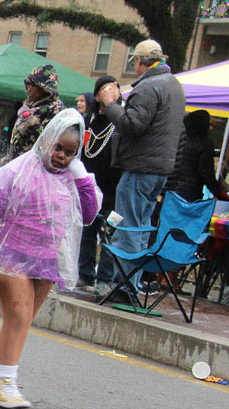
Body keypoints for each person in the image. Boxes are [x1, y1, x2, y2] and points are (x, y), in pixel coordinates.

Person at [0, 110, 101, 409]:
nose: (62, 156)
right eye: (58, 148)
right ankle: (5, 384)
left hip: (46, 259)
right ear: (47, 139)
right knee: (18, 314)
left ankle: (1, 372)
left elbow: (88, 215)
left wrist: (81, 176)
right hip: (10, 253)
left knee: (23, 320)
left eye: (70, 152)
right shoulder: (17, 170)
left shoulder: (72, 178)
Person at [96, 39, 185, 298]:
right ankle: (131, 285)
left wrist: (111, 104)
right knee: (142, 225)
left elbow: (133, 126)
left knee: (128, 225)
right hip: (159, 168)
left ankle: (125, 288)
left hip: (140, 166)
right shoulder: (173, 85)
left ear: (138, 61)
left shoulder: (148, 87)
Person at [78, 75, 122, 292]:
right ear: (97, 95)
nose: (110, 92)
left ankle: (104, 279)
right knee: (87, 230)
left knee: (109, 234)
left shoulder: (121, 122)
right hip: (90, 186)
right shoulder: (90, 121)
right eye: (105, 89)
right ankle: (84, 274)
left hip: (113, 189)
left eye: (115, 89)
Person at [2, 64, 64, 164]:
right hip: (17, 164)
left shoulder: (55, 108)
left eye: (32, 85)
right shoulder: (31, 106)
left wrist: (32, 123)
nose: (28, 89)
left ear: (43, 86)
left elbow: (49, 141)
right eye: (27, 85)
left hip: (35, 168)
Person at [165, 110, 229, 203]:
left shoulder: (179, 138)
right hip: (190, 193)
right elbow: (206, 174)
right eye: (209, 124)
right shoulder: (203, 144)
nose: (210, 128)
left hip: (169, 189)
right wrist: (221, 195)